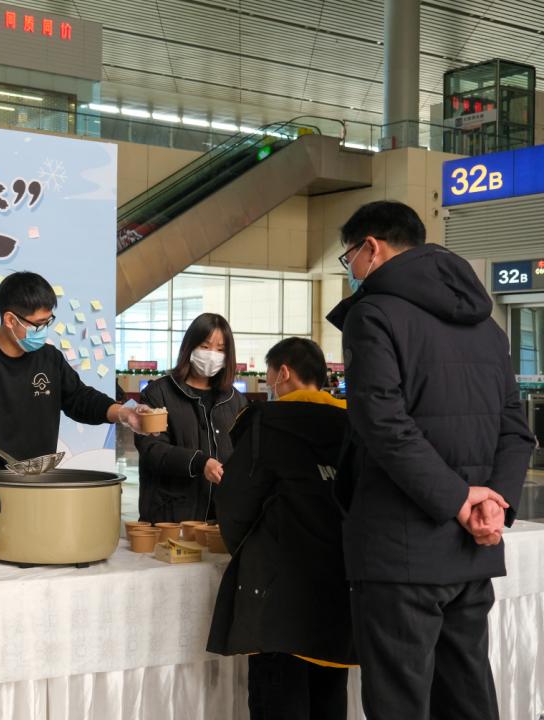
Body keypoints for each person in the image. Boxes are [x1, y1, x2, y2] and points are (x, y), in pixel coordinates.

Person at [326, 200, 534, 720]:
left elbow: (383, 424)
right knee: (466, 696)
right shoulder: (488, 328)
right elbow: (515, 427)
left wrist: (461, 500)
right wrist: (493, 504)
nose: (350, 269)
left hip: (400, 550)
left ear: (370, 247)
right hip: (471, 551)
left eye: (348, 256)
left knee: (399, 702)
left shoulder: (372, 314)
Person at [0, 271, 150, 548]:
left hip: (34, 493)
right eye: (38, 324)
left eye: (48, 322)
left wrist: (123, 413)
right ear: (10, 320)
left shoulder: (49, 360)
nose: (43, 331)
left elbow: (81, 399)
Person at [207, 337, 354, 720]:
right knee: (329, 695)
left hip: (277, 597)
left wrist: (254, 550)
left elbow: (235, 507)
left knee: (279, 697)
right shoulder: (353, 424)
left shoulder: (265, 424)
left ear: (282, 373)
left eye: (270, 374)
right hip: (341, 587)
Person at [134, 313, 247, 523]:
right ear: (190, 347)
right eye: (205, 347)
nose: (212, 355)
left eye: (221, 349)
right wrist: (199, 462)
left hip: (220, 520)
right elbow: (151, 448)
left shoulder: (236, 401)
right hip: (170, 517)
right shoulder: (158, 393)